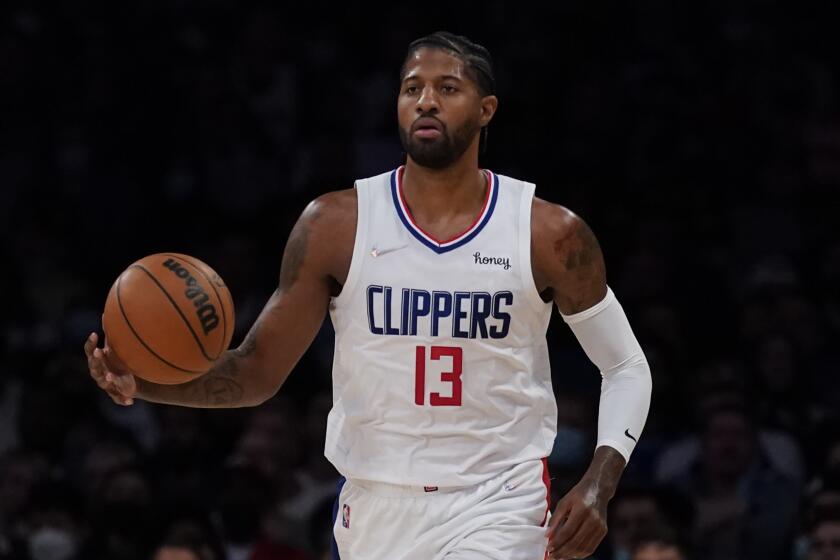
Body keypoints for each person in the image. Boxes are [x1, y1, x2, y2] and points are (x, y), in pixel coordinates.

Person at [84, 31, 652, 560]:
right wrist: (146, 384)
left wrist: (601, 482)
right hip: (375, 506)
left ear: (486, 111)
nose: (425, 101)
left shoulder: (547, 233)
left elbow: (626, 364)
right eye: (412, 89)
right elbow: (255, 374)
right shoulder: (335, 225)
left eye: (447, 88)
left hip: (499, 500)